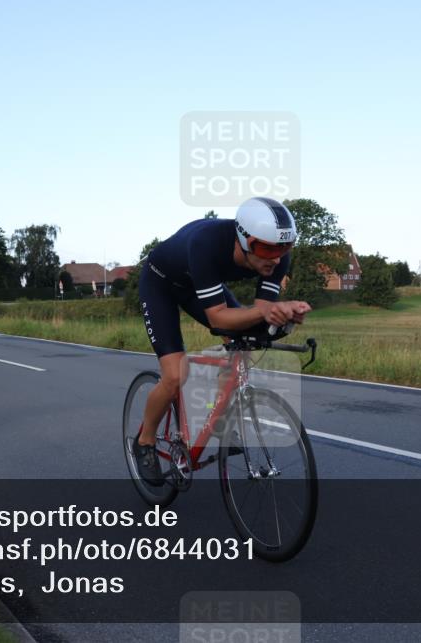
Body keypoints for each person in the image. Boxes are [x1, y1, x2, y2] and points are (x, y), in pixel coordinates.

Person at [133, 197, 312, 485]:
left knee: (244, 343)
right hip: (161, 284)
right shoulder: (208, 244)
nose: (276, 258)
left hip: (196, 285)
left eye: (284, 247)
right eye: (267, 248)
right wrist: (266, 312)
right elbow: (218, 319)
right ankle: (144, 441)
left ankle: (217, 420)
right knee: (176, 374)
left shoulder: (276, 256)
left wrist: (283, 317)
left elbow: (260, 313)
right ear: (243, 239)